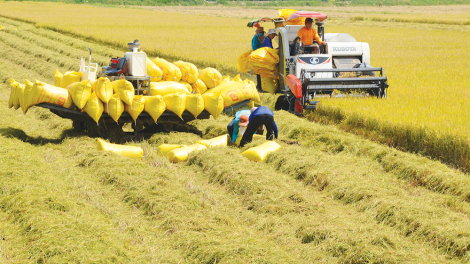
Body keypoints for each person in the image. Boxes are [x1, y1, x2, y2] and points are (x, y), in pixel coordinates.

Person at [252, 27, 265, 91]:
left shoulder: (256, 37)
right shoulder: (262, 37)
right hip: (261, 56)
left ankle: (259, 86)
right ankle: (260, 86)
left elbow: (254, 47)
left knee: (259, 72)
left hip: (259, 56)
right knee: (261, 72)